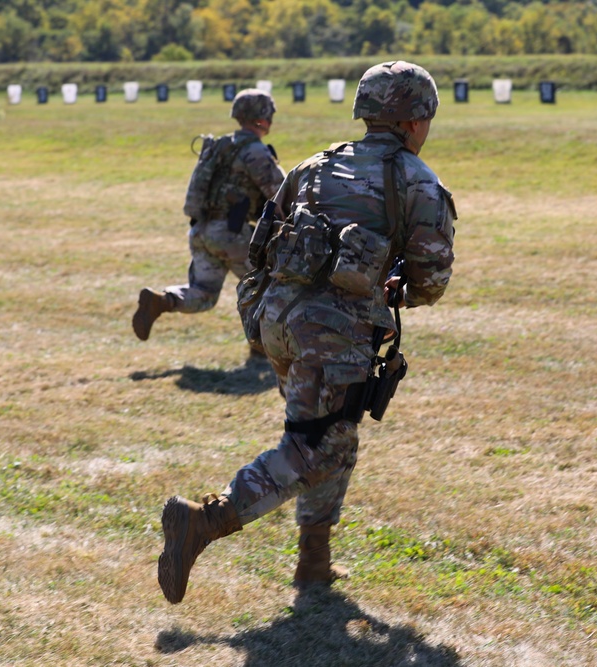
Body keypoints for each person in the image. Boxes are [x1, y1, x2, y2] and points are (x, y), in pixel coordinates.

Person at [157, 61, 456, 604]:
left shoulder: (314, 164)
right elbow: (432, 279)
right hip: (331, 334)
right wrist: (390, 285)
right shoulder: (418, 181)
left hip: (277, 321)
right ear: (416, 119)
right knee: (315, 445)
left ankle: (314, 563)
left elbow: (262, 243)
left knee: (333, 437)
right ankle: (203, 520)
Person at [131, 88, 286, 351]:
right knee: (269, 286)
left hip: (202, 231)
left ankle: (162, 300)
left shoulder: (219, 147)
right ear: (263, 117)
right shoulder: (255, 152)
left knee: (204, 294)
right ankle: (261, 346)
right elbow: (280, 193)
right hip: (232, 235)